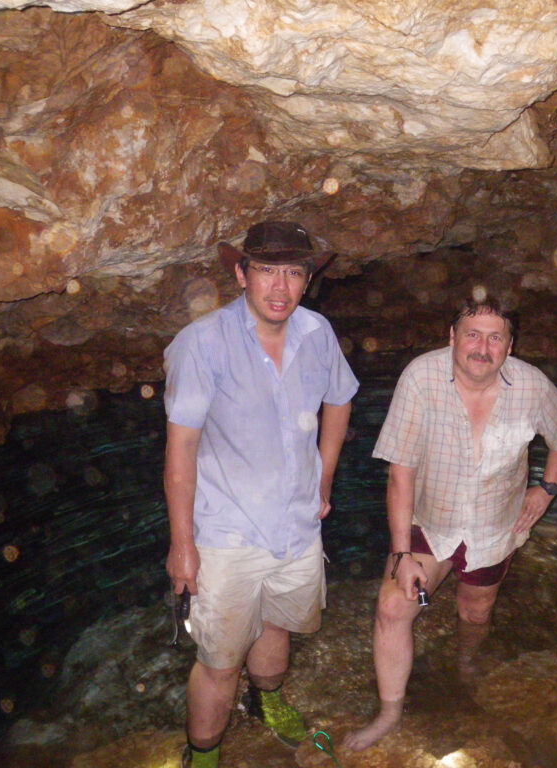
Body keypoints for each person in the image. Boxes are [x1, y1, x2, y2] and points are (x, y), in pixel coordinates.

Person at [344, 297, 557, 751]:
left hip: (495, 525)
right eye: (472, 334)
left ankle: (467, 663)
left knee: (475, 611)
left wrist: (547, 488)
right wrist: (401, 553)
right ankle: (389, 712)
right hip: (431, 519)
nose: (482, 347)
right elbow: (401, 472)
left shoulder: (531, 386)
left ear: (510, 346)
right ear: (452, 338)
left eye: (496, 337)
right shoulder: (420, 378)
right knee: (393, 607)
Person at [163, 221, 359, 768]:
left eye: (293, 273)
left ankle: (266, 700)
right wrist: (183, 545)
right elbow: (180, 449)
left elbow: (340, 400)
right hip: (226, 533)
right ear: (240, 274)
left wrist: (323, 477)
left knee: (279, 625)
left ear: (306, 280)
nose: (280, 287)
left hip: (297, 527)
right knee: (220, 660)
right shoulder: (202, 344)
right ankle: (203, 753)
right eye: (267, 271)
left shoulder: (318, 334)